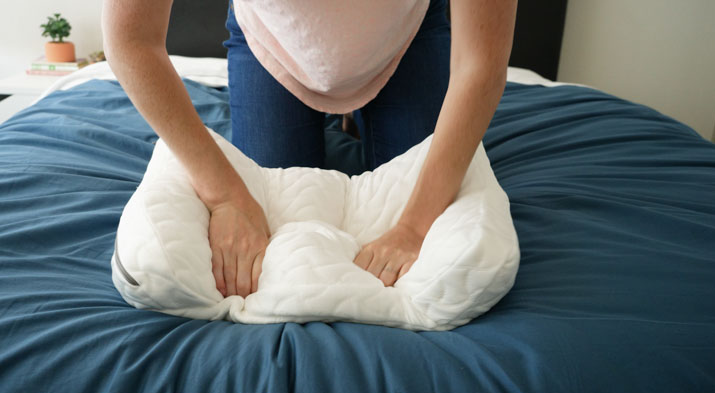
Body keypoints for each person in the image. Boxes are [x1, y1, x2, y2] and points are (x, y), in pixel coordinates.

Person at [102, 0, 517, 299]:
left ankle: (357, 112)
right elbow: (131, 40)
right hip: (275, 37)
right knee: (281, 224)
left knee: (411, 199)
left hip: (405, 35)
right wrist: (226, 194)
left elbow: (479, 64)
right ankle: (341, 110)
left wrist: (414, 226)